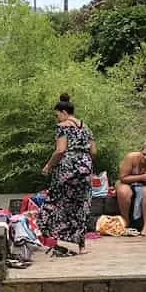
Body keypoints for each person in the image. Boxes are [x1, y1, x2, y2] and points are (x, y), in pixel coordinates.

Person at [38, 94, 96, 257]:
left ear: (63, 112)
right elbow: (94, 151)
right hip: (85, 167)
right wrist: (85, 164)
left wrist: (49, 166)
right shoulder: (86, 127)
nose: (57, 119)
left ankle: (56, 241)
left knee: (56, 202)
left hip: (67, 168)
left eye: (57, 115)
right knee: (81, 205)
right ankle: (81, 246)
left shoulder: (63, 126)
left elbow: (60, 150)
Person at [115, 139, 146, 236]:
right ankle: (126, 221)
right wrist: (142, 177)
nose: (145, 157)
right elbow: (123, 178)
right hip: (127, 181)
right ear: (140, 151)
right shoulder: (131, 157)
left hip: (144, 185)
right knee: (124, 192)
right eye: (143, 154)